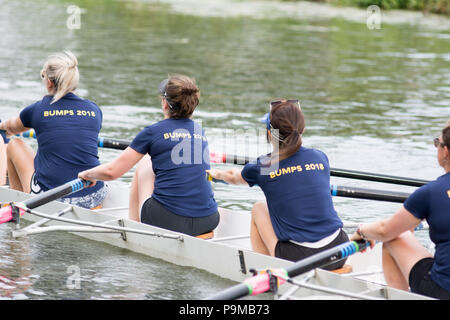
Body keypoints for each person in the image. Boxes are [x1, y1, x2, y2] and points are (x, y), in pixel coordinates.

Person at [207, 99, 349, 269]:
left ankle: (264, 270)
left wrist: (216, 175)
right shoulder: (319, 157)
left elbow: (235, 177)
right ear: (302, 129)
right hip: (340, 249)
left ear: (269, 134)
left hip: (300, 259)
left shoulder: (266, 165)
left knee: (258, 208)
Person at [78, 75, 219, 237]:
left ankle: (132, 228)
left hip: (169, 220)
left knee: (145, 160)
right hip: (209, 219)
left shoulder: (152, 132)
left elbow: (112, 172)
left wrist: (87, 174)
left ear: (165, 103)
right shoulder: (200, 131)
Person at [350, 122, 450, 299]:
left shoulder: (431, 192)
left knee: (394, 238)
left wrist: (363, 231)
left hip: (443, 290)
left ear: (446, 151)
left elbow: (384, 231)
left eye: (437, 143)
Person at [0, 50, 107, 209]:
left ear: (49, 82)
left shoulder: (38, 110)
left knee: (14, 144)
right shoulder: (94, 110)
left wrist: (2, 127)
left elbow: (11, 127)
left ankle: (14, 206)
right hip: (93, 195)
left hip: (51, 198)